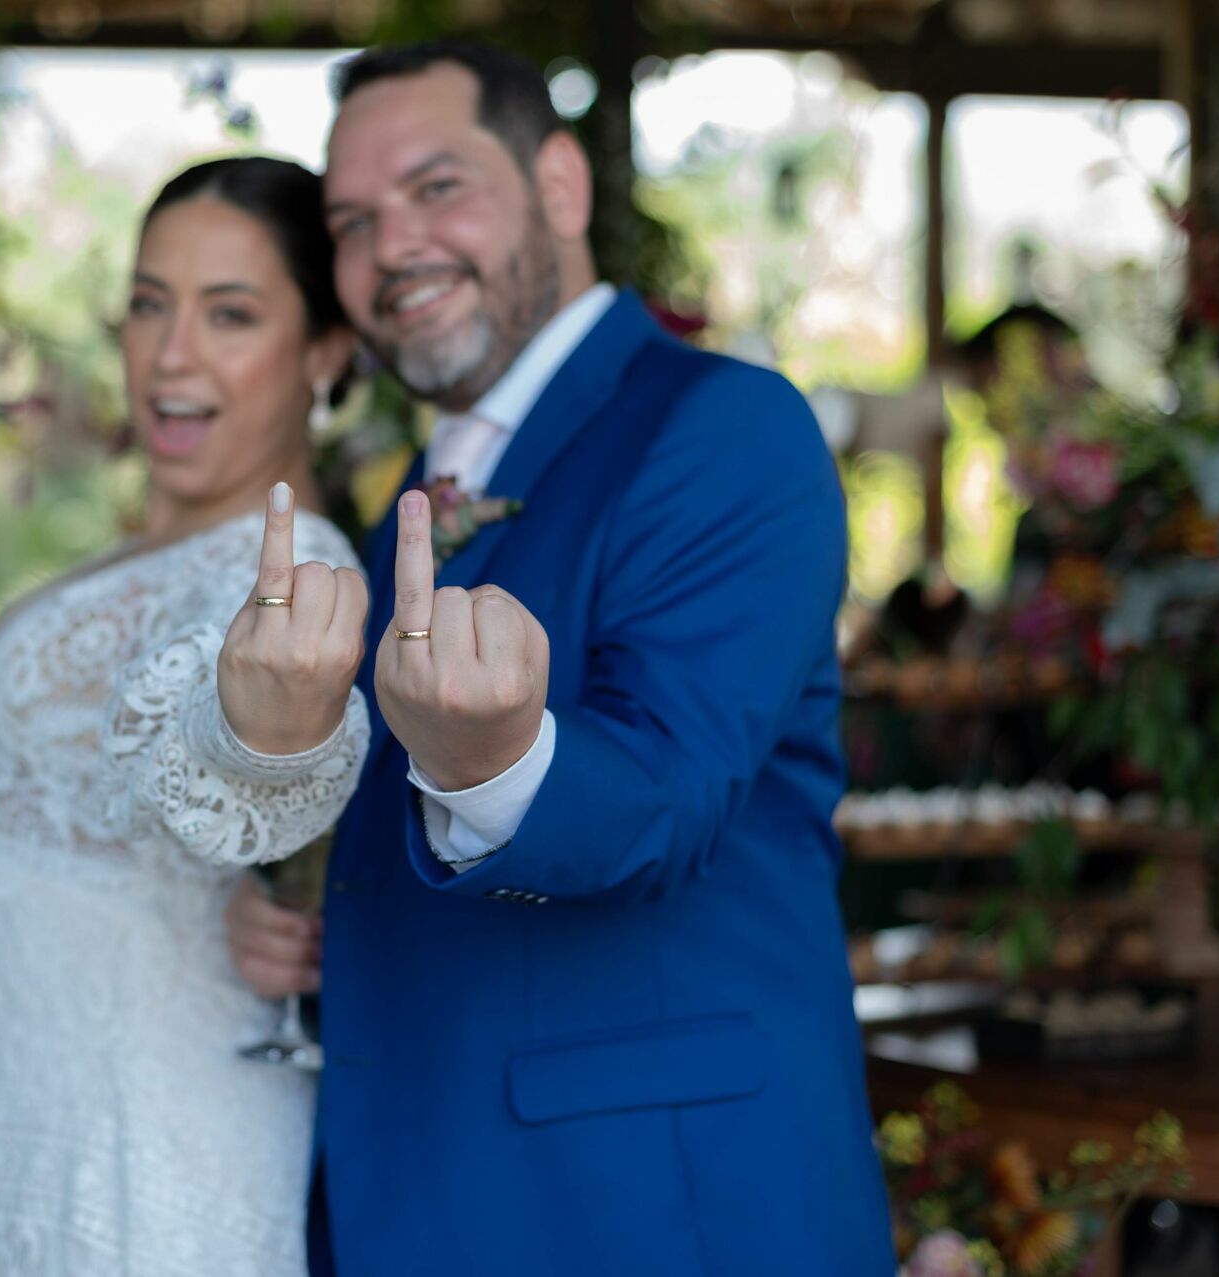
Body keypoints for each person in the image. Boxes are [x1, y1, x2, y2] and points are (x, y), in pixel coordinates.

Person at [225, 41, 896, 1273]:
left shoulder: (726, 425)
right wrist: (307, 923)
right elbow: (391, 834)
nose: (394, 247)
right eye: (355, 221)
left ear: (562, 187)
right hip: (421, 1190)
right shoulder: (408, 510)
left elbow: (668, 792)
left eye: (438, 188)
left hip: (650, 1210)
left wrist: (494, 756)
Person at [0, 156, 377, 1276]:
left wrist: (264, 742)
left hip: (153, 1149)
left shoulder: (294, 575)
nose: (171, 353)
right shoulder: (132, 552)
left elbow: (240, 766)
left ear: (325, 353)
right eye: (151, 302)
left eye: (232, 313)